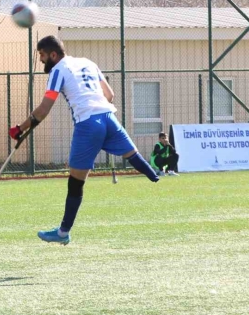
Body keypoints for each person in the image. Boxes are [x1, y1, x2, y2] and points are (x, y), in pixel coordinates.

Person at [10, 35, 159, 245]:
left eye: (42, 55)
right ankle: (156, 177)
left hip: (88, 124)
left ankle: (63, 233)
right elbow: (110, 95)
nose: (41, 60)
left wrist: (19, 128)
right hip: (109, 118)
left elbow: (44, 110)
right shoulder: (88, 62)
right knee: (133, 156)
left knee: (76, 182)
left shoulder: (57, 71)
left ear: (53, 54)